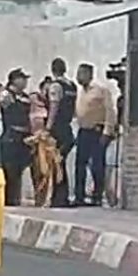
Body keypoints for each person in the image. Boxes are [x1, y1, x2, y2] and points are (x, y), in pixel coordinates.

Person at [73, 63, 117, 208]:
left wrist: (107, 131)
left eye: (81, 74)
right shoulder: (81, 91)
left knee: (97, 165)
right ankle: (79, 196)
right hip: (83, 131)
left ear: (89, 74)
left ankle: (97, 196)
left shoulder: (101, 90)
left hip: (97, 131)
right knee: (80, 164)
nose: (78, 77)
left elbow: (110, 111)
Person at [46, 58, 79, 207]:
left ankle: (58, 197)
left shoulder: (55, 86)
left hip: (57, 128)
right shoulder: (72, 85)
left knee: (56, 162)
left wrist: (48, 127)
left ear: (53, 69)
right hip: (67, 128)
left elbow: (54, 107)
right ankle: (61, 196)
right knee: (61, 162)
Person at [0, 68, 32, 207]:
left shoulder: (24, 96)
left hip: (23, 138)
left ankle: (15, 198)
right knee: (9, 170)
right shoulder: (6, 95)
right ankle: (8, 199)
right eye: (22, 79)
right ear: (14, 80)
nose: (25, 82)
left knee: (18, 169)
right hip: (10, 136)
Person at [27, 77, 61, 208]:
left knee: (45, 171)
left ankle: (43, 199)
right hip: (32, 140)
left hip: (45, 142)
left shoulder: (49, 105)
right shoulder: (33, 100)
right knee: (36, 171)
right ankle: (38, 198)